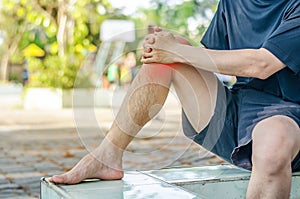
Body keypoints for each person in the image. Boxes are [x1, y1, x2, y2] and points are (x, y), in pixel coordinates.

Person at [50, 0, 300, 198]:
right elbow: (212, 58)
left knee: (273, 138)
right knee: (167, 56)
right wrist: (163, 46)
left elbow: (262, 64)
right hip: (239, 112)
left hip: (289, 118)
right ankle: (107, 157)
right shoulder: (233, 3)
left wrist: (177, 50)